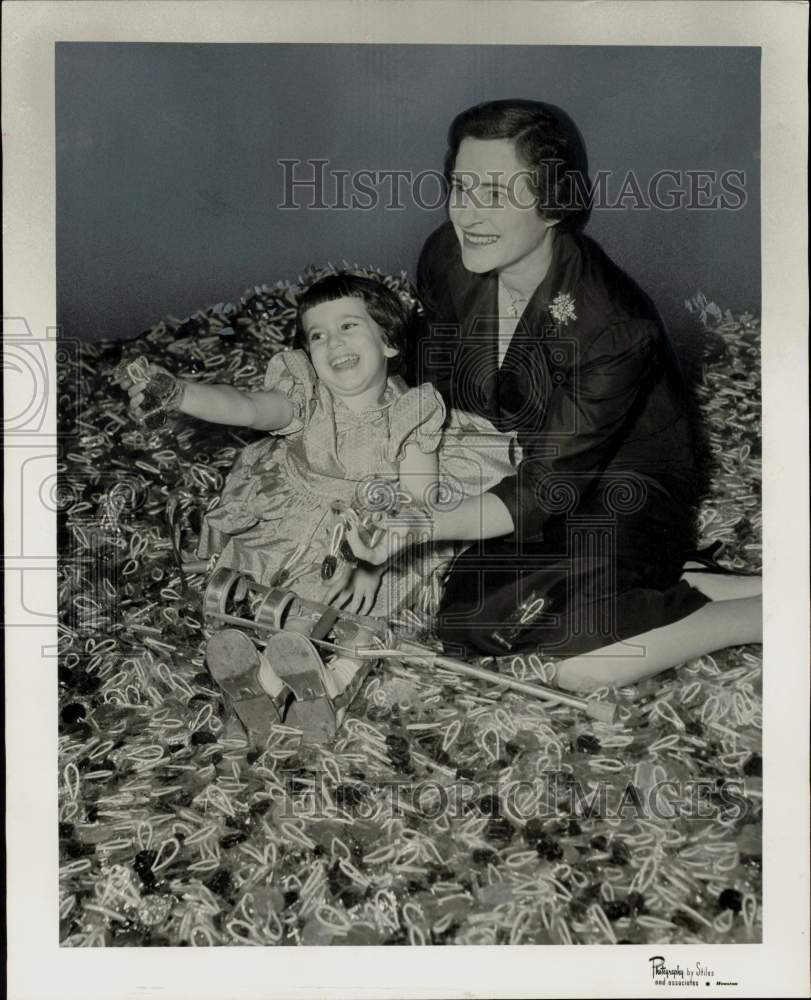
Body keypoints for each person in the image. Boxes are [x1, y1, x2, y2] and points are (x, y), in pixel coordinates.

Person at [345, 99, 762, 693]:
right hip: (526, 470)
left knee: (580, 666)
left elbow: (546, 491)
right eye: (461, 188)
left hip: (623, 487)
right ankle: (680, 581)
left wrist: (420, 524)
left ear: (553, 205)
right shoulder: (446, 257)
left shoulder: (614, 324)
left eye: (496, 194)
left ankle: (758, 614)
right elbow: (432, 378)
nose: (469, 215)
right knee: (469, 614)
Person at [125, 271, 516, 617]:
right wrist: (179, 394)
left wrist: (372, 565)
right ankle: (245, 645)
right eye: (318, 335)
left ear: (389, 343)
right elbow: (246, 407)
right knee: (241, 582)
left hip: (367, 532)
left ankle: (320, 671)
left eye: (348, 326)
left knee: (340, 607)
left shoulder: (412, 415)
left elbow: (416, 504)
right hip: (288, 516)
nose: (333, 343)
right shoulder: (304, 397)